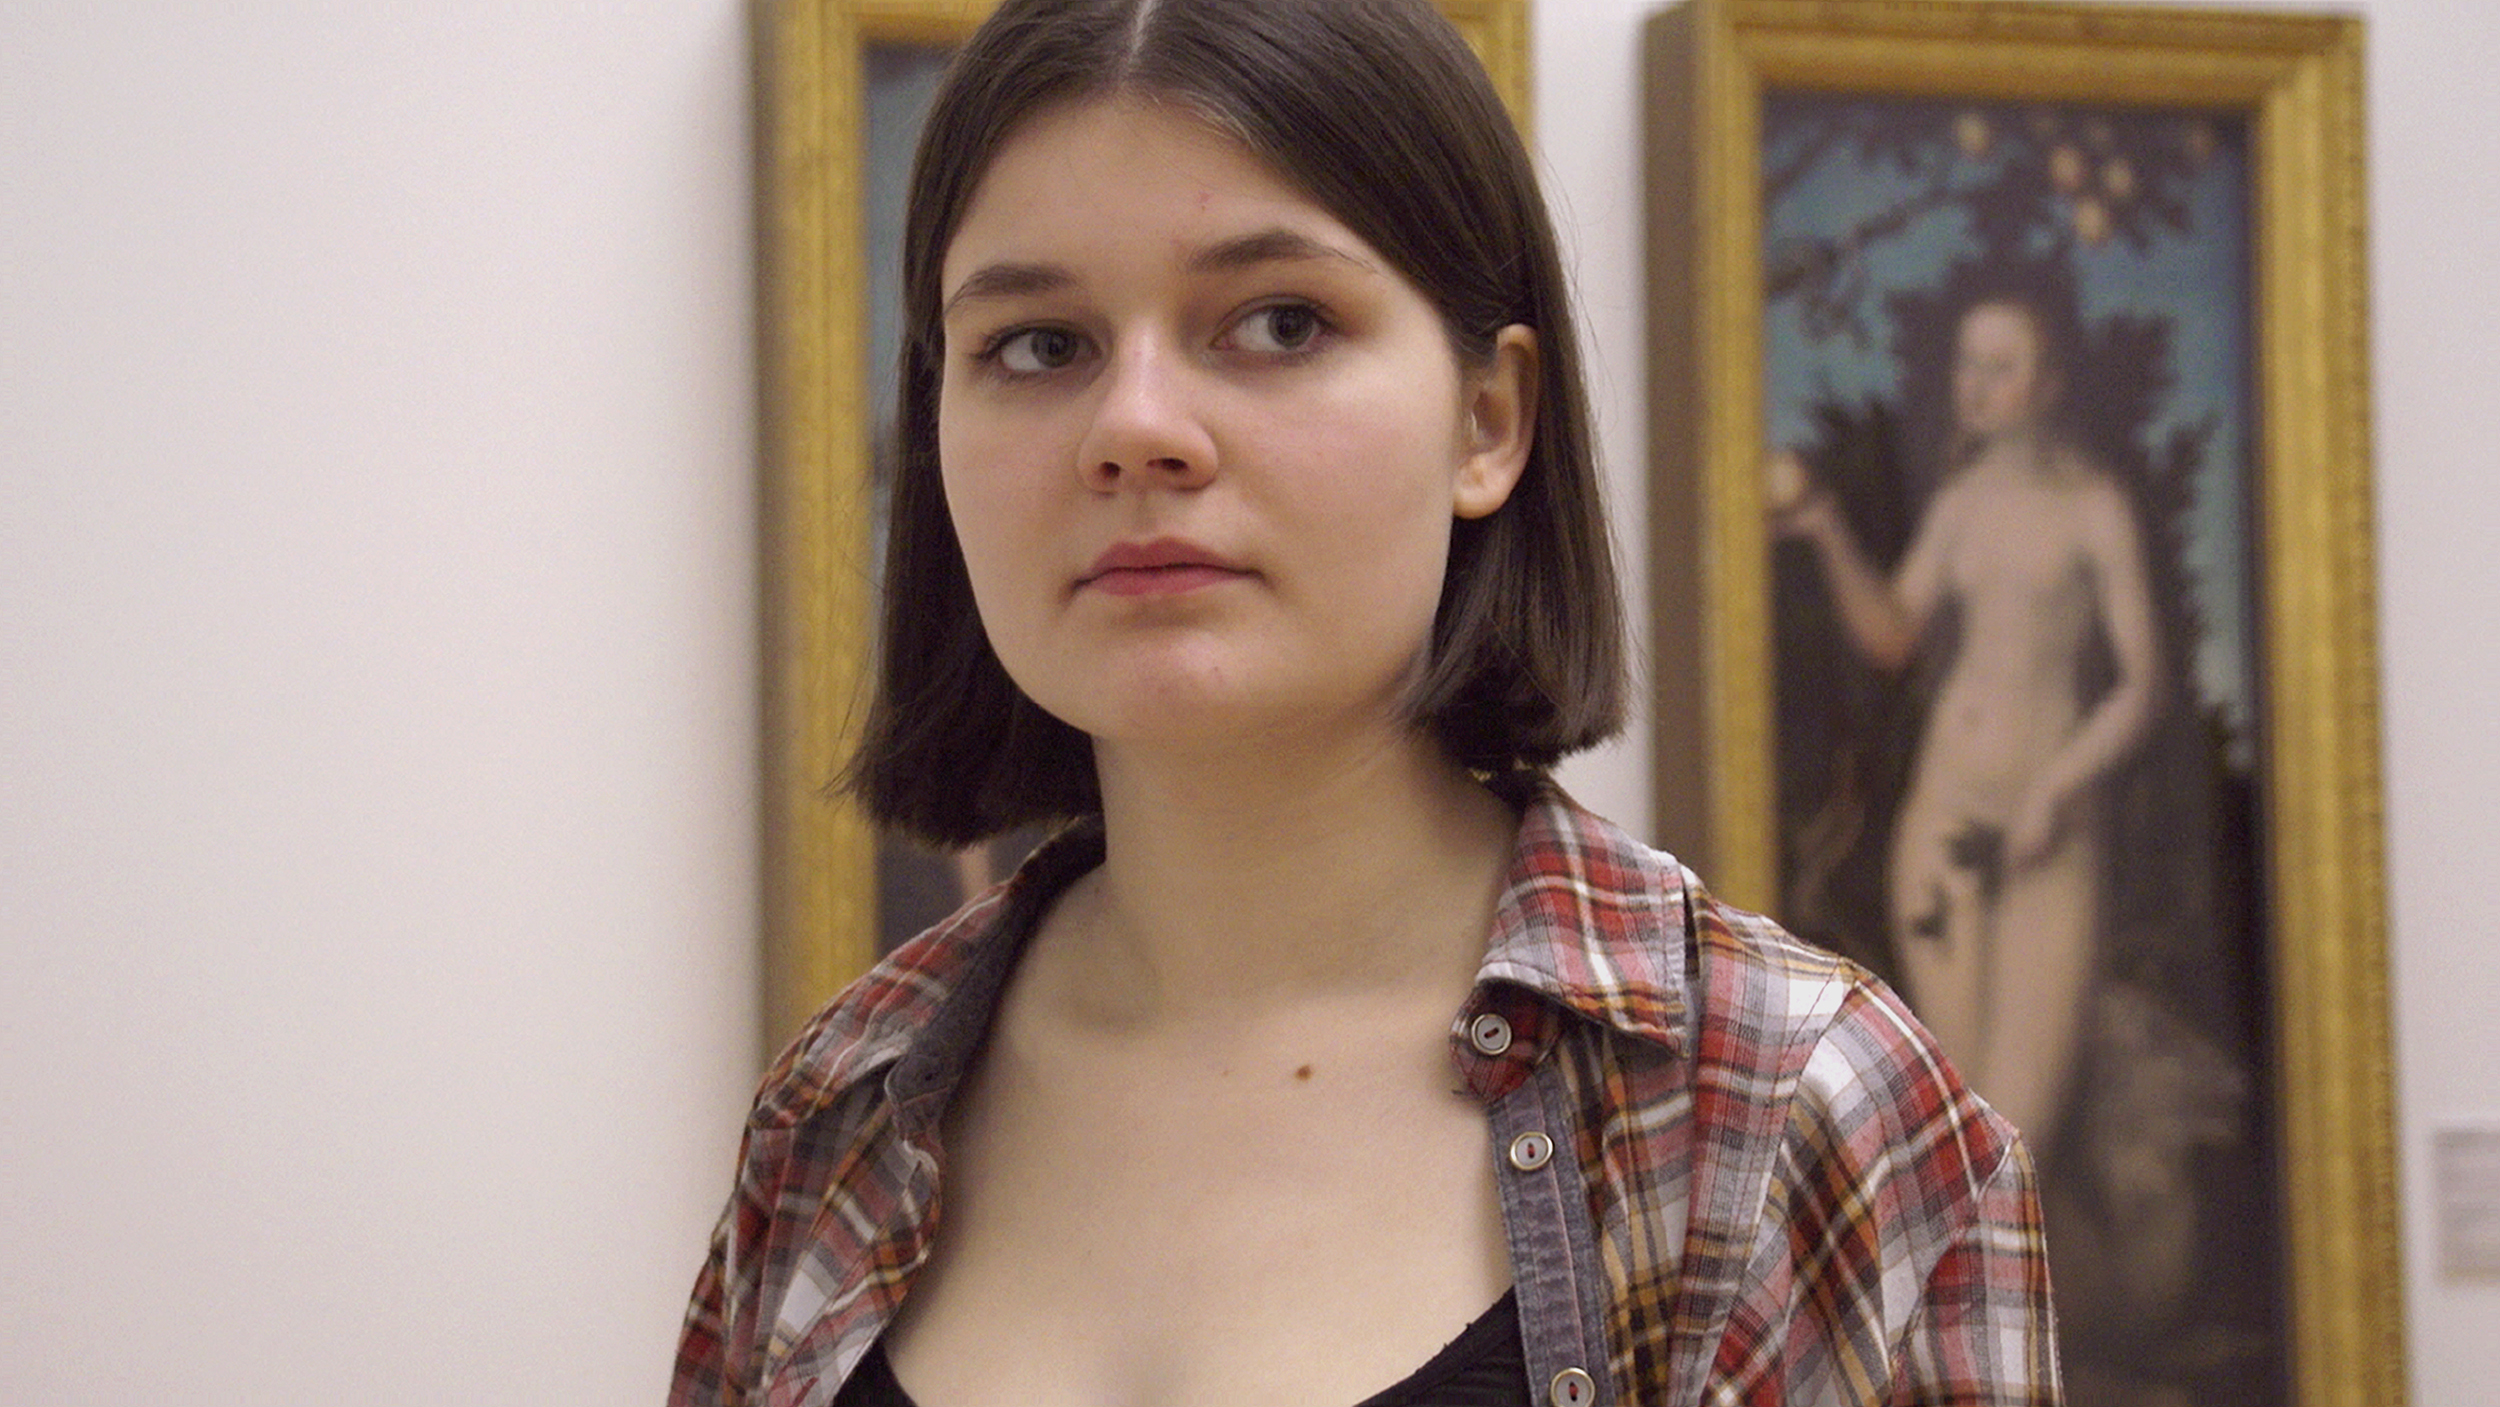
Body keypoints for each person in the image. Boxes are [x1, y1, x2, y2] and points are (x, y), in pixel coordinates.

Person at [674, 2, 2058, 1403]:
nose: (1135, 426)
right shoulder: (834, 1111)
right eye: (1038, 345)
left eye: (1279, 322)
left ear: (1488, 420)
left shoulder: (1799, 1121)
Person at [1770, 292, 2161, 1151]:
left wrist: (2056, 789)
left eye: (2001, 367)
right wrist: (1829, 531)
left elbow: (2141, 685)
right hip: (1946, 814)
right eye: (1966, 364)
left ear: (2050, 383)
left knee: (2018, 1131)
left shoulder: (2094, 505)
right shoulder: (1960, 501)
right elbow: (1893, 636)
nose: (1975, 386)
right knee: (1954, 1119)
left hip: (2048, 834)